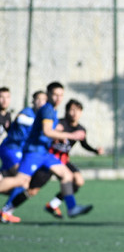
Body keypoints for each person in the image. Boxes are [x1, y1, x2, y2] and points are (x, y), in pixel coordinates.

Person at [0, 82, 92, 223]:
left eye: (61, 95)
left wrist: (58, 138)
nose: (58, 98)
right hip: (34, 152)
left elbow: (49, 133)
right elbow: (47, 131)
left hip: (44, 153)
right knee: (21, 181)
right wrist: (71, 136)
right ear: (48, 94)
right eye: (55, 94)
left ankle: (72, 207)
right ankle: (7, 210)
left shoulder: (52, 111)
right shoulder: (48, 110)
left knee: (66, 174)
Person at [0, 91, 47, 177]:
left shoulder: (44, 116)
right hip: (11, 147)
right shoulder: (28, 111)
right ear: (33, 101)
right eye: (38, 99)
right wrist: (38, 123)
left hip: (21, 149)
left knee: (9, 176)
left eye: (43, 99)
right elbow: (20, 118)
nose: (40, 102)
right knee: (20, 175)